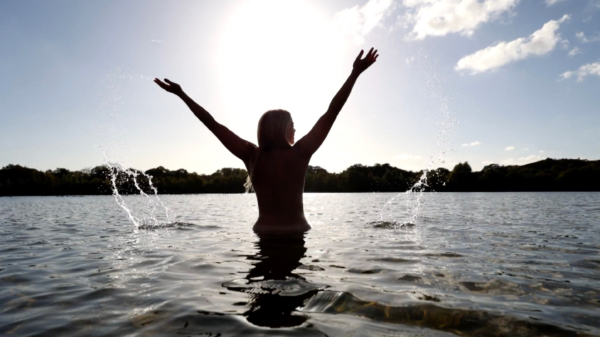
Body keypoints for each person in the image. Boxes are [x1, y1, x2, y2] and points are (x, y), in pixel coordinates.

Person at [155, 48, 379, 233]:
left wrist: (182, 95)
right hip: (295, 235)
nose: (296, 129)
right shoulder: (300, 153)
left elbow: (212, 124)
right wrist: (354, 74)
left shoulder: (251, 155)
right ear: (283, 129)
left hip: (263, 236)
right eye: (292, 125)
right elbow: (332, 111)